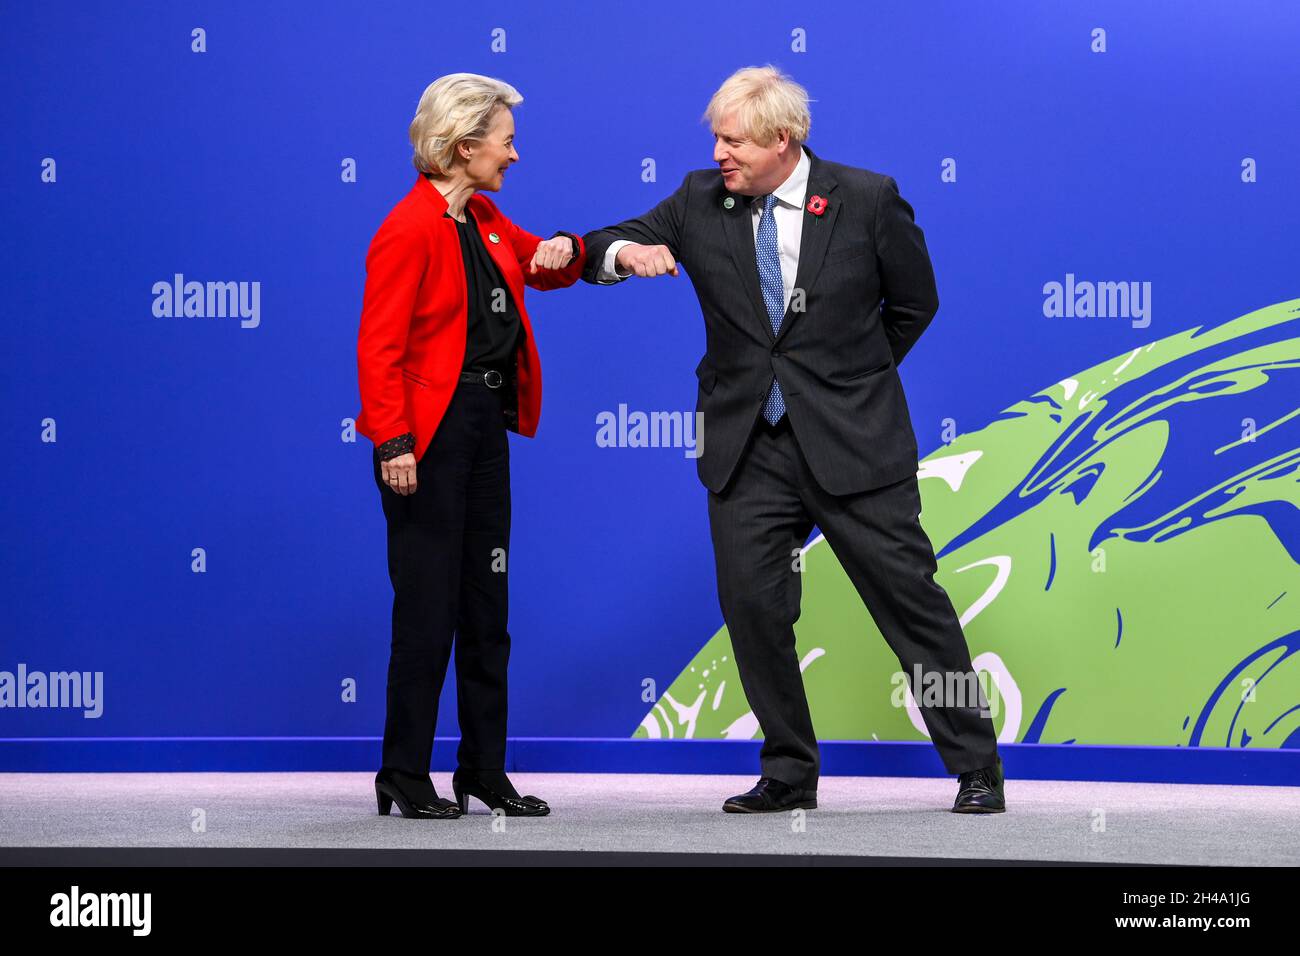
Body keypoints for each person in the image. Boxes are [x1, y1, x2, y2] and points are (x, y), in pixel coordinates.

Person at [582, 65, 1006, 814]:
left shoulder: (867, 198)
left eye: (733, 140)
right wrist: (623, 256)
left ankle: (976, 765)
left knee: (914, 606)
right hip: (749, 448)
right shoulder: (696, 200)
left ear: (784, 140)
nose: (720, 153)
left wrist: (848, 380)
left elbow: (915, 302)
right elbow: (602, 244)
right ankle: (788, 770)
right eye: (715, 137)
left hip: (855, 444)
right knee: (753, 607)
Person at [355, 72, 585, 819]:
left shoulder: (481, 218)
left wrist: (586, 252)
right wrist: (394, 441)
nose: (514, 156)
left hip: (486, 425)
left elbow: (541, 264)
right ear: (463, 147)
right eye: (506, 142)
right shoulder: (408, 227)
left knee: (487, 609)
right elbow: (379, 348)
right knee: (427, 612)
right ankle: (404, 774)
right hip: (428, 436)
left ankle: (484, 771)